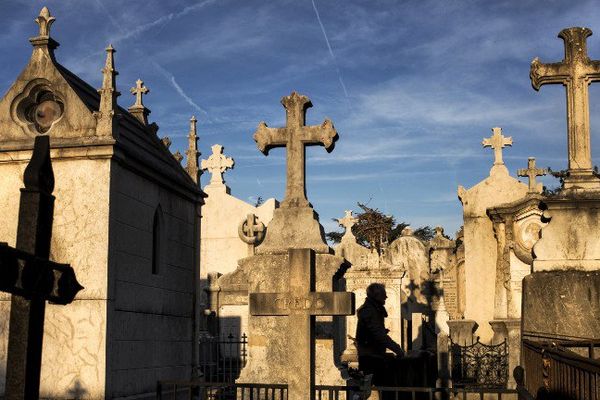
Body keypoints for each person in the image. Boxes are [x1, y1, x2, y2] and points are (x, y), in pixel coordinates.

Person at [356, 283, 404, 386]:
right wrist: (397, 349)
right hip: (371, 356)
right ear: (376, 296)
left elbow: (375, 331)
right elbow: (378, 334)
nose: (386, 297)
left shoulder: (373, 309)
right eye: (383, 294)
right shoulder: (370, 310)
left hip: (372, 354)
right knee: (375, 388)